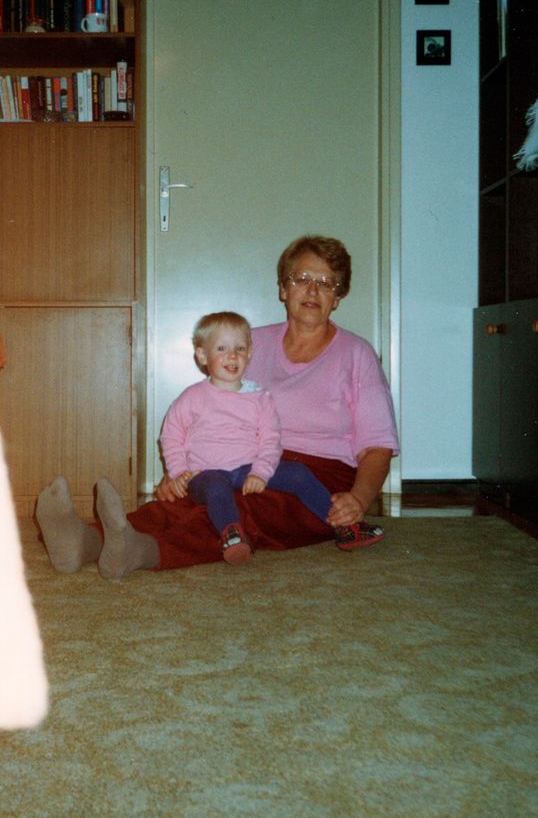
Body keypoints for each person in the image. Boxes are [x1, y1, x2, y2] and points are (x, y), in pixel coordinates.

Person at [36, 235, 399, 579]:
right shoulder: (248, 344)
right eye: (303, 278)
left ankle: (143, 551)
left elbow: (377, 446)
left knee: (246, 513)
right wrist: (180, 472)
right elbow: (207, 413)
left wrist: (359, 499)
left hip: (318, 478)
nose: (313, 290)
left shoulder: (356, 354)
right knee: (192, 500)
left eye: (327, 282)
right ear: (283, 288)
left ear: (338, 297)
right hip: (241, 459)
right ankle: (85, 541)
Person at [160, 310, 346, 565]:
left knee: (298, 473)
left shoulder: (260, 398)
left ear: (249, 353)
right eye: (222, 348)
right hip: (204, 473)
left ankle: (342, 522)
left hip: (246, 468)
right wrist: (179, 471)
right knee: (216, 487)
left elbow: (271, 439)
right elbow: (171, 435)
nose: (232, 355)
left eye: (240, 348)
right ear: (203, 356)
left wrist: (261, 472)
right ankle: (233, 536)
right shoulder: (192, 397)